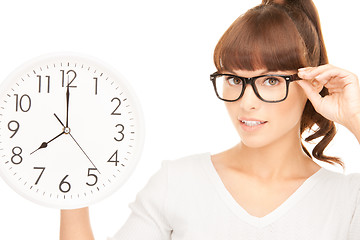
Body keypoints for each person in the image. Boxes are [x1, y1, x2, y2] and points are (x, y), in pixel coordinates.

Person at [60, 0, 360, 239]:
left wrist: (356, 118)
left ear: (310, 83)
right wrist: (69, 184)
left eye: (269, 81)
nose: (246, 102)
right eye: (233, 78)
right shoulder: (178, 182)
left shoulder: (347, 200)